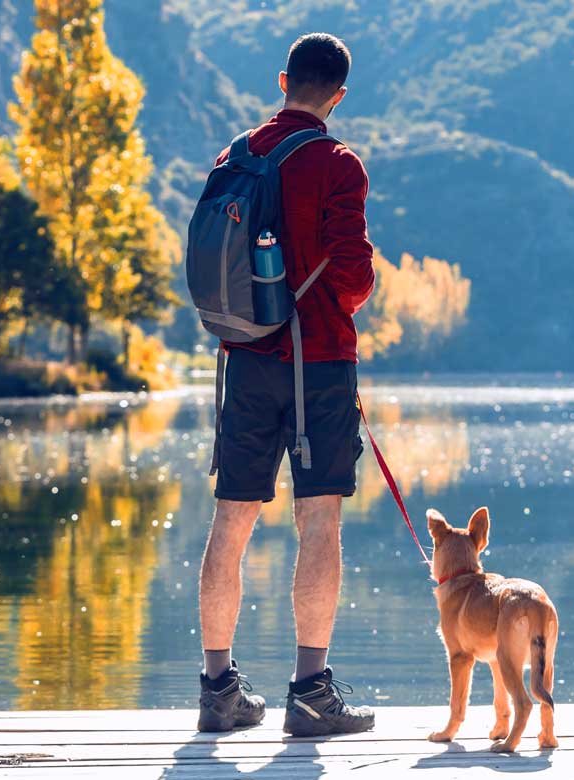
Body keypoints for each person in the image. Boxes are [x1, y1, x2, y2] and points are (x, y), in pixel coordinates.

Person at [196, 32, 378, 737]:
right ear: (338, 95)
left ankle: (219, 691)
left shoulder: (233, 156)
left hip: (241, 359)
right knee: (320, 521)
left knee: (232, 518)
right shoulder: (338, 164)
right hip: (320, 365)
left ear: (282, 81)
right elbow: (355, 277)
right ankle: (309, 693)